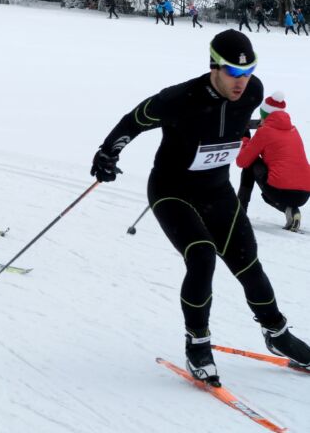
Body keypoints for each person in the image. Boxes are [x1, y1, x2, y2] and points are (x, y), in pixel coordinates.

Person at [91, 29, 310, 384]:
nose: (242, 82)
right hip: (172, 190)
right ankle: (198, 342)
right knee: (202, 255)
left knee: (247, 262)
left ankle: (277, 333)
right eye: (233, 73)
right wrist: (107, 152)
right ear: (214, 67)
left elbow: (236, 120)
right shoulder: (180, 98)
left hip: (216, 190)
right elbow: (135, 119)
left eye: (248, 71)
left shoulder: (253, 92)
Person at [237, 92, 310, 232]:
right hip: (305, 192)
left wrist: (245, 137)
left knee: (250, 164)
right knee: (268, 195)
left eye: (261, 116)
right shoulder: (293, 130)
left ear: (265, 116)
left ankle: (240, 212)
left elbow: (242, 161)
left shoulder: (265, 132)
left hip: (281, 191)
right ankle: (291, 210)